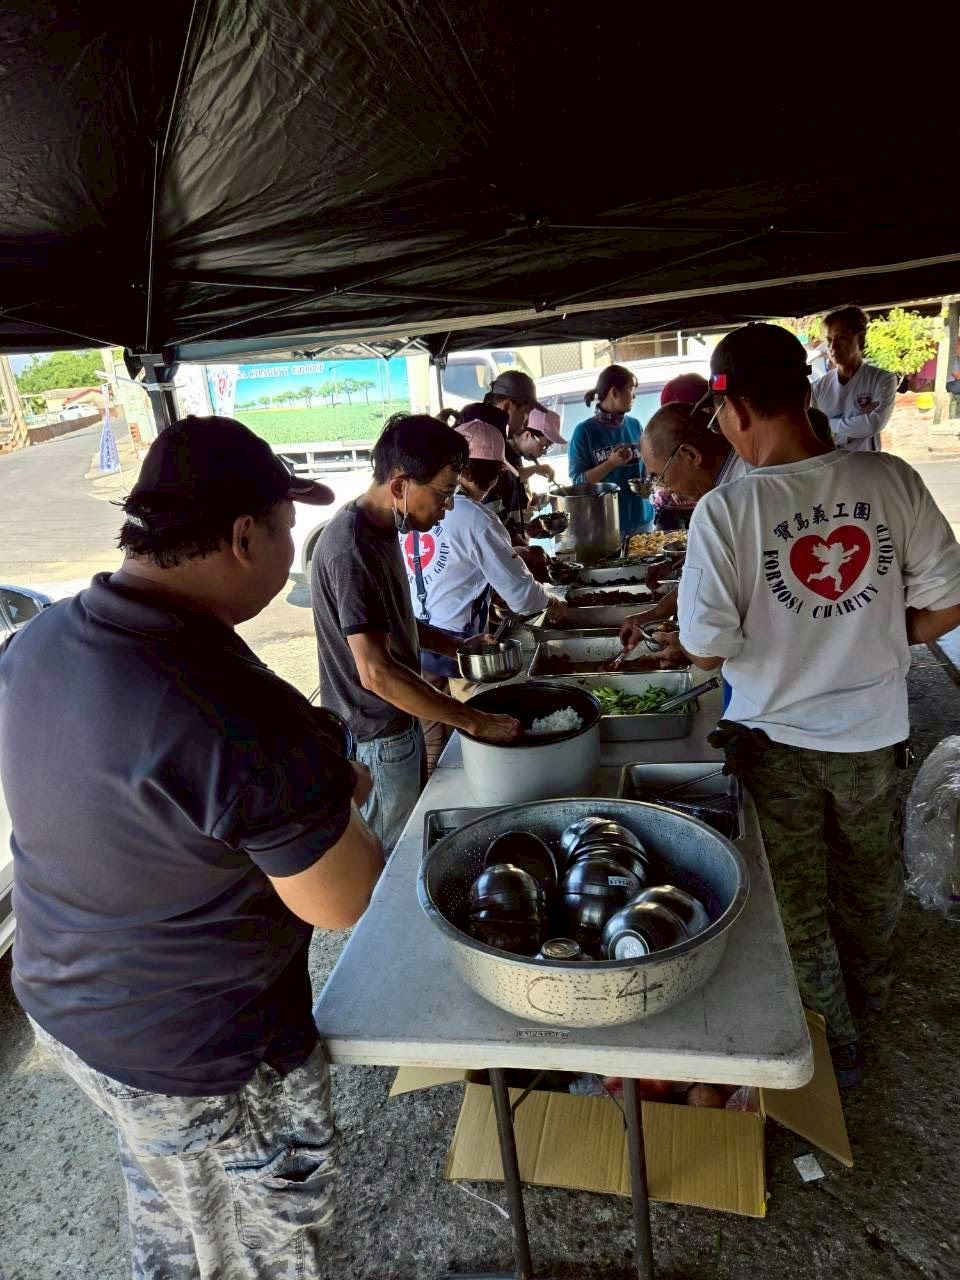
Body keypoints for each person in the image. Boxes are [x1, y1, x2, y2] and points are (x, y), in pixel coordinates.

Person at [0, 415, 386, 1278]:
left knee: (175, 1190)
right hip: (195, 1043)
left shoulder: (42, 639)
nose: (291, 553)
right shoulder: (233, 708)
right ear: (245, 538)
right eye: (286, 529)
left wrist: (303, 787)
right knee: (266, 1228)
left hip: (67, 1007)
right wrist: (331, 794)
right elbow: (345, 897)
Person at [631, 324, 960, 1087]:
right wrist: (879, 633)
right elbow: (949, 601)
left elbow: (705, 649)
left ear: (736, 409)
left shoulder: (728, 512)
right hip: (874, 735)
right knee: (870, 878)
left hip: (775, 743)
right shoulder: (889, 480)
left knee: (797, 902)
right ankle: (871, 997)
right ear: (805, 391)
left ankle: (832, 1047)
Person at [312, 413, 521, 851]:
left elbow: (394, 621)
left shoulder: (383, 528)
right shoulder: (352, 549)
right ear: (399, 486)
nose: (449, 506)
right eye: (444, 493)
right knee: (390, 860)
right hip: (377, 738)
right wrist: (473, 720)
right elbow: (376, 673)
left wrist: (455, 644)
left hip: (395, 728)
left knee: (408, 841)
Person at [407, 418, 566, 769]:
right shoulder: (475, 516)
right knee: (473, 740)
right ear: (493, 474)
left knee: (432, 744)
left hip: (415, 644)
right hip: (460, 649)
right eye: (497, 472)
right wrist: (555, 604)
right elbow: (524, 598)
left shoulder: (413, 509)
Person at [568, 363, 655, 541]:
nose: (634, 395)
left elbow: (645, 468)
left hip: (642, 520)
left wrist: (649, 484)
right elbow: (578, 483)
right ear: (614, 392)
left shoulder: (635, 425)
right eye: (631, 388)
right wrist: (610, 464)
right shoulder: (584, 432)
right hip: (607, 527)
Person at [811, 305, 898, 452]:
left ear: (861, 339)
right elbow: (815, 434)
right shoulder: (818, 388)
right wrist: (859, 420)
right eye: (829, 340)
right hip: (831, 464)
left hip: (867, 464)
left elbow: (873, 425)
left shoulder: (882, 379)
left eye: (841, 338)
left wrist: (828, 425)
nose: (833, 346)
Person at [650, 373, 708, 530]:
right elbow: (656, 479)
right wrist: (669, 487)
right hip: (670, 512)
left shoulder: (712, 440)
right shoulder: (661, 437)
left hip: (701, 509)